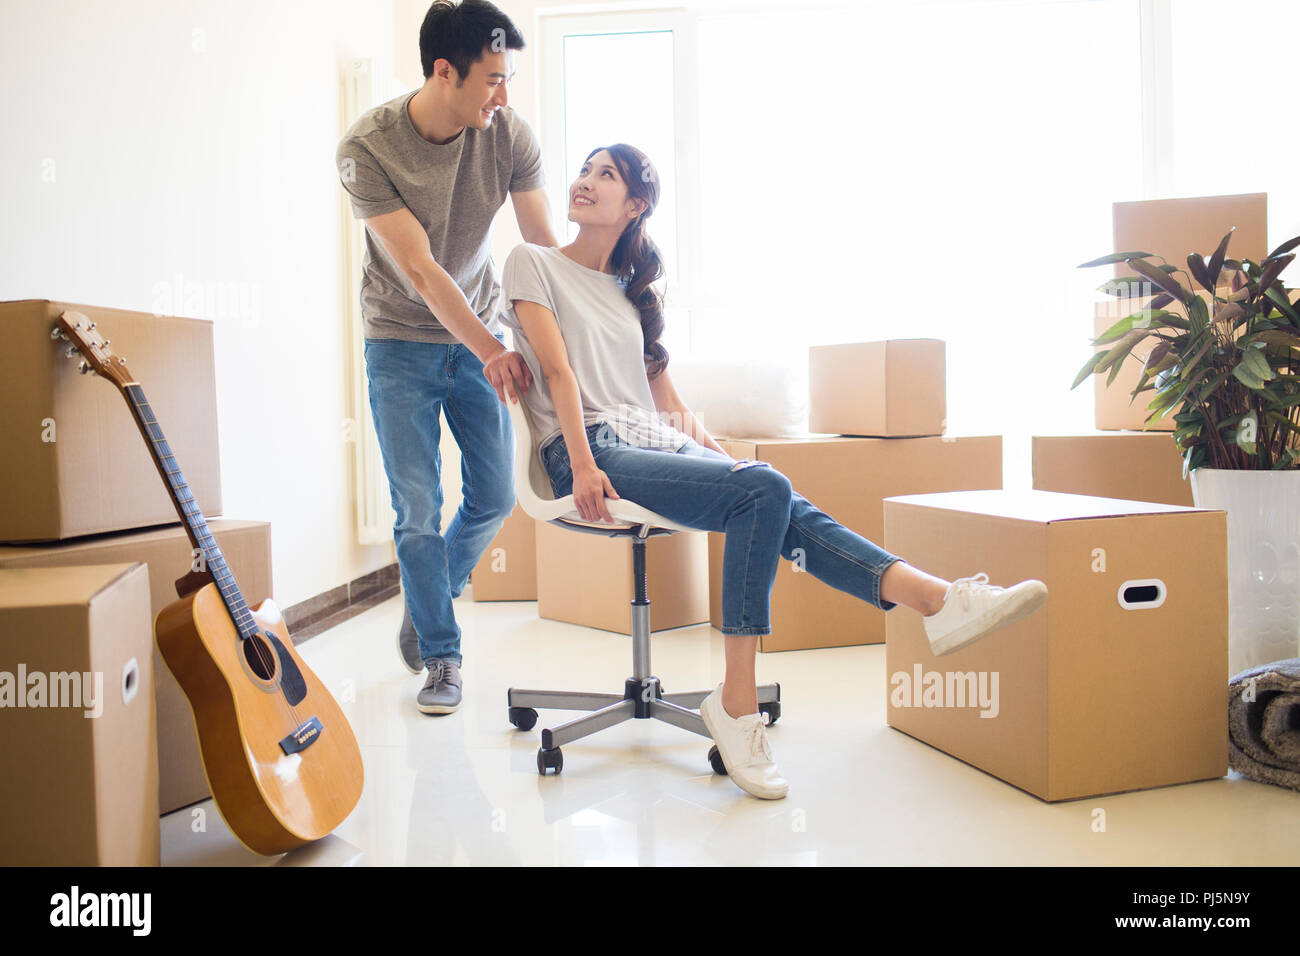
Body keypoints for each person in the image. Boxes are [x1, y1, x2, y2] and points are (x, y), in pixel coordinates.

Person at [499, 143, 1048, 800]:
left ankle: (935, 600)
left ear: (636, 204)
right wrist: (584, 466)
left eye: (605, 174)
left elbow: (669, 406)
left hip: (651, 443)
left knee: (767, 489)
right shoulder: (533, 262)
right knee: (767, 491)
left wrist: (728, 463)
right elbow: (557, 372)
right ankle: (747, 698)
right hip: (585, 449)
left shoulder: (632, 294)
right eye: (585, 170)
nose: (584, 181)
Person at [336, 0, 559, 715]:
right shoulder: (367, 148)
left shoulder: (508, 133)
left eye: (508, 77)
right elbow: (422, 270)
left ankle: (426, 598)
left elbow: (542, 245)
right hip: (400, 340)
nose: (505, 96)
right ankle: (441, 654)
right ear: (444, 72)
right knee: (418, 509)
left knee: (496, 496)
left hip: (479, 327)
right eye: (493, 79)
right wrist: (493, 350)